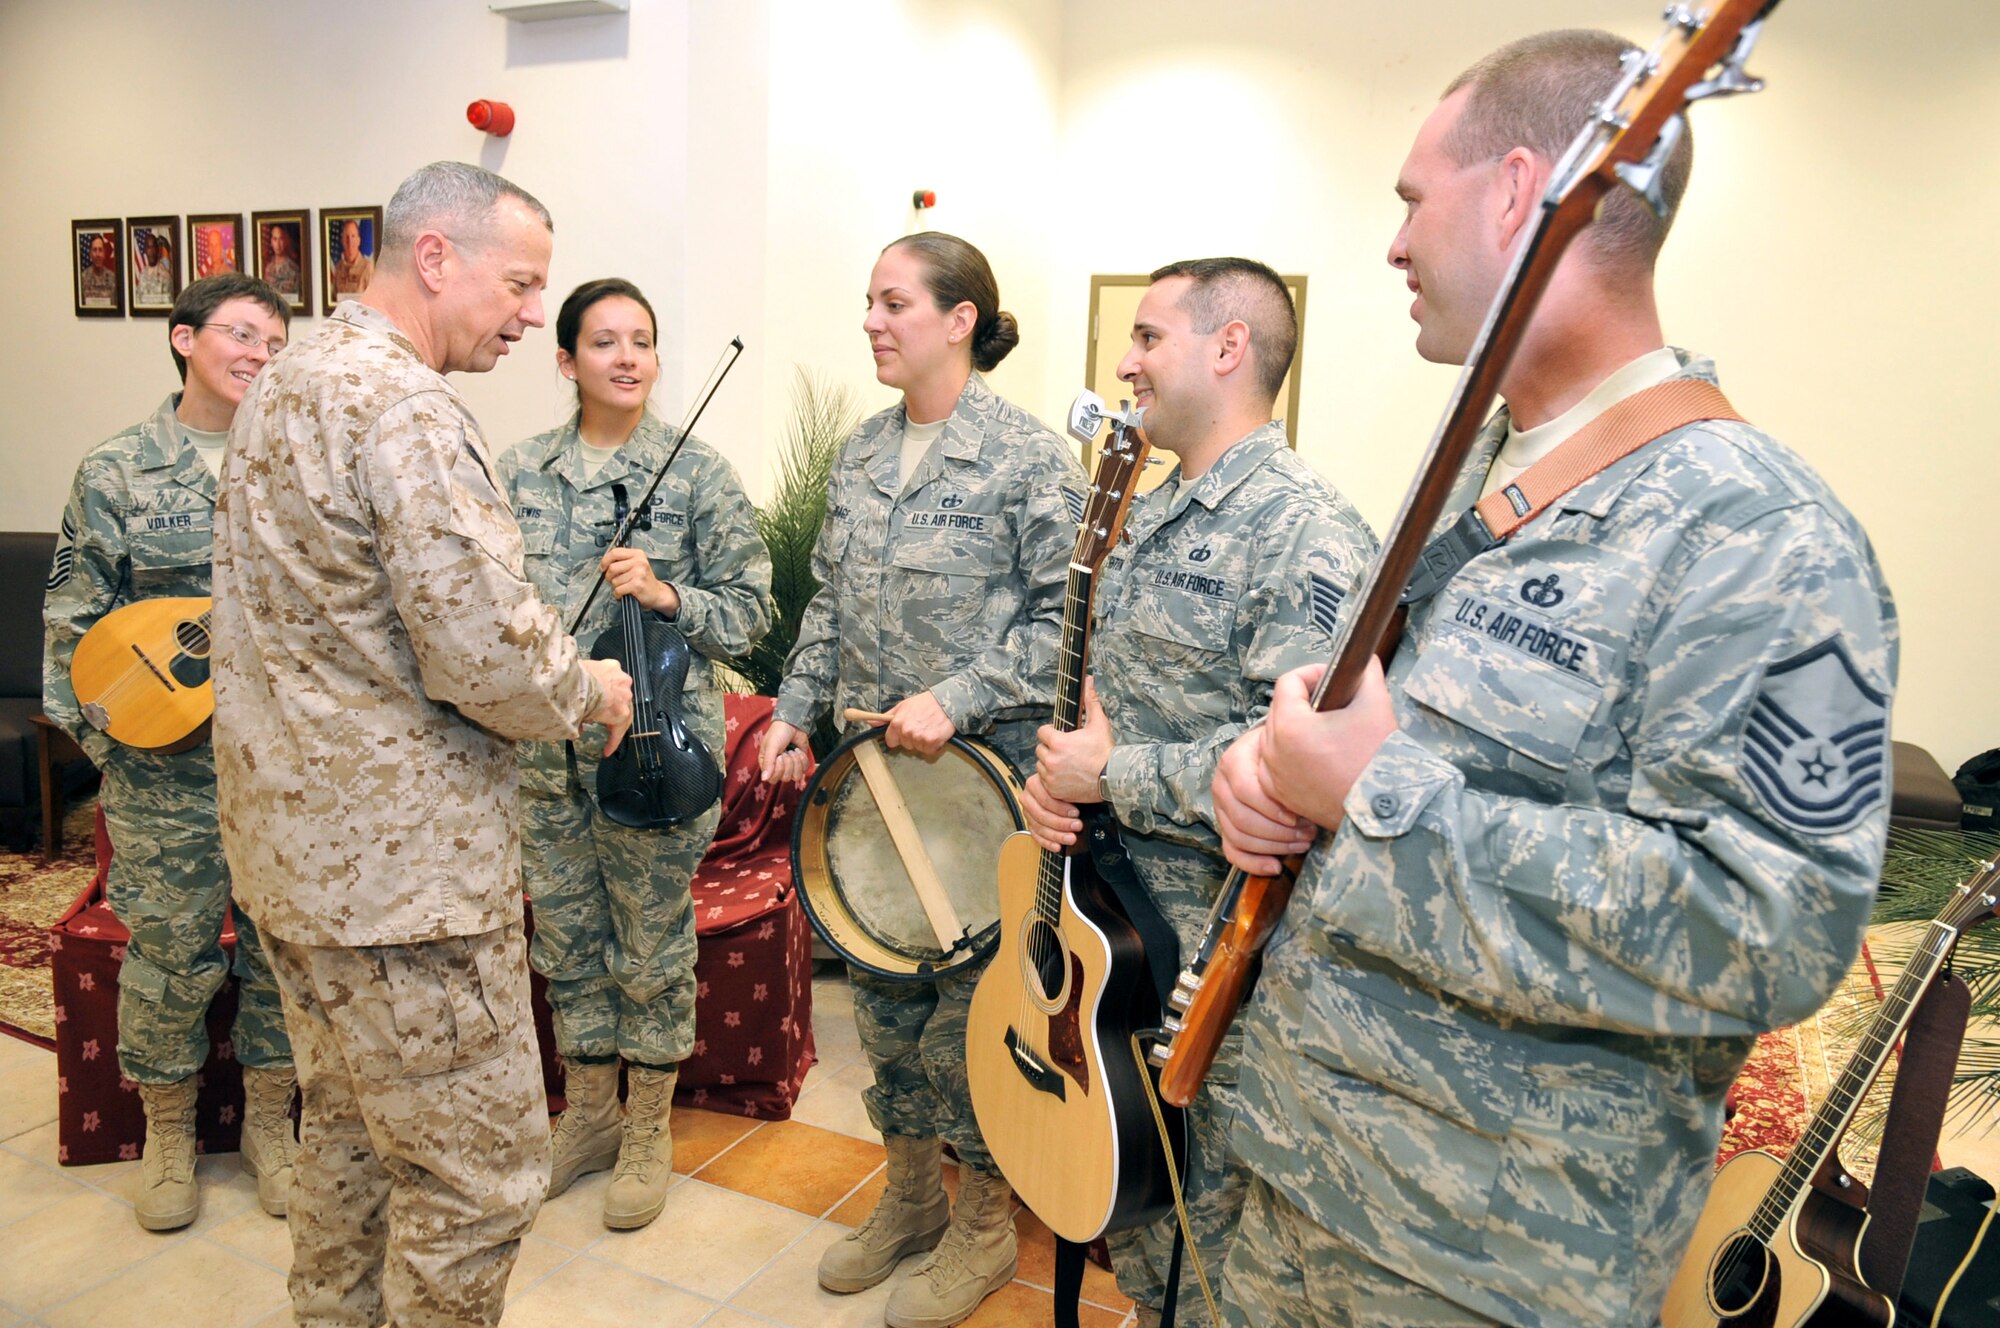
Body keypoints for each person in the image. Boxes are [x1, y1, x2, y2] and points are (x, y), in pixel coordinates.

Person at [1208, 30, 1898, 1328]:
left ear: (1520, 187)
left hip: (1481, 1262)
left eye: (1413, 200)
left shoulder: (1756, 533)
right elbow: (1381, 729)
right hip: (1285, 1167)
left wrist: (1380, 792)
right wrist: (1269, 770)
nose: (1395, 245)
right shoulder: (1469, 474)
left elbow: (1778, 928)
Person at [210, 161, 634, 1328]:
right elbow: (484, 650)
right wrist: (587, 685)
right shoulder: (403, 406)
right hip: (407, 895)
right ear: (434, 256)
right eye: (519, 281)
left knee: (347, 1145)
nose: (530, 313)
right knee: (474, 1182)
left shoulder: (288, 379)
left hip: (296, 871)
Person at [1019, 258, 1376, 1325]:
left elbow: (1296, 761)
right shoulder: (1153, 501)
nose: (1121, 362)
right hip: (1117, 930)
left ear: (1226, 347)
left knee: (1213, 1247)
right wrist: (1064, 793)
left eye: (1145, 336)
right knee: (1145, 1233)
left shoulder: (1300, 525)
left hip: (1220, 968)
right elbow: (1108, 706)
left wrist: (1110, 774)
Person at [758, 231, 1085, 1328]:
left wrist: (962, 689)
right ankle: (906, 1197)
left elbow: (1067, 623)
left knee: (969, 1025)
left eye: (892, 301)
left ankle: (984, 1225)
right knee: (887, 1015)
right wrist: (793, 711)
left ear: (959, 318)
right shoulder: (857, 453)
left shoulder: (1031, 460)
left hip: (977, 795)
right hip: (866, 798)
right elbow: (828, 610)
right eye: (867, 300)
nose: (870, 320)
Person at [497, 277, 772, 1231]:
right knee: (567, 936)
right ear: (566, 360)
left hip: (655, 746)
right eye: (604, 341)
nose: (626, 357)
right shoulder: (516, 470)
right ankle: (591, 1114)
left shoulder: (697, 475)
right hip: (545, 754)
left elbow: (752, 610)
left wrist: (667, 598)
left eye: (642, 341)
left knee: (650, 941)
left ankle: (649, 1125)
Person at [43, 273, 295, 1233]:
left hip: (281, 766)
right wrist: (119, 751)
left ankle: (275, 1133)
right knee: (171, 958)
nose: (258, 354)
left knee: (278, 951)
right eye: (240, 333)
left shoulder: (293, 466)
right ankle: (169, 1140)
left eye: (274, 342)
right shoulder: (116, 471)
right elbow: (73, 630)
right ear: (185, 339)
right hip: (166, 774)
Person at [332, 219, 376, 297]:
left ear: (359, 240)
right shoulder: (339, 269)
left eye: (353, 236)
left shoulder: (368, 268)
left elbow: (374, 300)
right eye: (346, 237)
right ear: (342, 241)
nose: (350, 241)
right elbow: (333, 300)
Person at [263, 223, 300, 296]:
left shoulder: (293, 268)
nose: (278, 244)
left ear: (286, 241)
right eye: (275, 239)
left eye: (281, 239)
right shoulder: (268, 268)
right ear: (271, 242)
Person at [80, 232, 117, 304]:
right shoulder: (82, 279)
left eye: (100, 250)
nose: (97, 254)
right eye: (94, 250)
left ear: (104, 253)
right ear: (90, 254)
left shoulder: (113, 278)